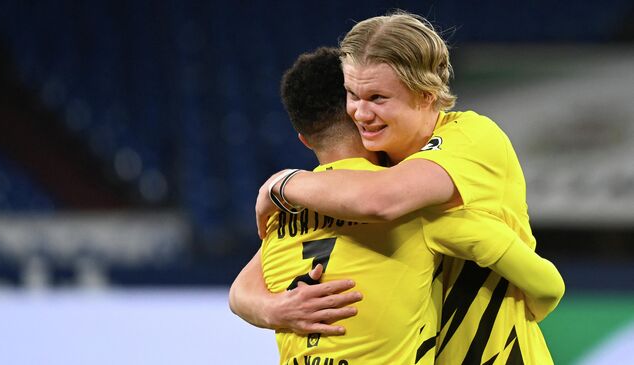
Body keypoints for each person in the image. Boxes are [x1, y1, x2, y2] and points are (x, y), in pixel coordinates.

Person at [250, 11, 564, 364]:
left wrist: (284, 183)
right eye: (352, 94)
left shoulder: (472, 138)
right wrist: (275, 309)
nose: (360, 112)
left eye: (378, 98)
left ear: (427, 94)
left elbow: (382, 200)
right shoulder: (371, 167)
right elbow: (245, 287)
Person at [233, 46, 441, 364]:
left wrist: (274, 308)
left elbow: (240, 292)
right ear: (361, 115)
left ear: (304, 138)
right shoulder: (411, 196)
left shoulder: (280, 213)